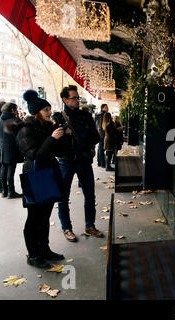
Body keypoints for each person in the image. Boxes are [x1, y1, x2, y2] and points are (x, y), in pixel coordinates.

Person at [11, 90, 69, 268]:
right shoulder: (25, 128)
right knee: (34, 218)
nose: (49, 112)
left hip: (49, 174)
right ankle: (33, 255)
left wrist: (63, 136)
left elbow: (58, 152)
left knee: (45, 216)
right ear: (36, 112)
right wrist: (52, 139)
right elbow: (35, 155)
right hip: (35, 175)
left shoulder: (46, 127)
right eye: (46, 110)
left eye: (49, 109)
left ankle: (45, 249)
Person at [57, 85, 102, 242]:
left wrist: (84, 146)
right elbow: (54, 143)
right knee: (63, 197)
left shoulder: (86, 116)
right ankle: (66, 228)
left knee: (90, 194)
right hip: (66, 162)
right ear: (65, 99)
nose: (77, 100)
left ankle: (90, 226)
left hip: (83, 161)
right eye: (74, 98)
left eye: (78, 97)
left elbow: (96, 137)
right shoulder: (58, 118)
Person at [0, 103, 23, 198]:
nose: (17, 111)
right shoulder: (15, 120)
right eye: (16, 109)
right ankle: (11, 192)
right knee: (10, 171)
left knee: (4, 170)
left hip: (3, 148)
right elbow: (21, 135)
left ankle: (4, 191)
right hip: (13, 149)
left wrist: (0, 145)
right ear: (12, 110)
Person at [95, 104, 108, 168]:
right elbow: (100, 126)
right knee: (101, 148)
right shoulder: (102, 115)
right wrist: (104, 133)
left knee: (100, 148)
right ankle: (102, 163)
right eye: (106, 107)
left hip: (100, 133)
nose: (107, 108)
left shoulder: (99, 114)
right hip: (102, 134)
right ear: (102, 108)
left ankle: (99, 162)